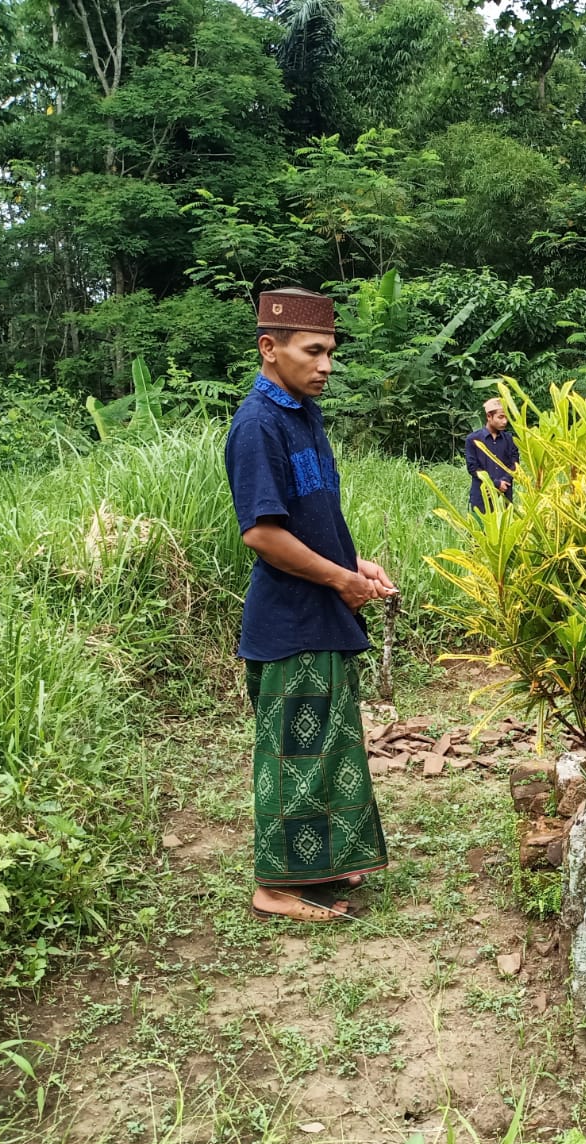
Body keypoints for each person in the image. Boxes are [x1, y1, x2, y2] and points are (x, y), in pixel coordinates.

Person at [224, 288, 397, 923]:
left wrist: (355, 568)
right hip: (291, 620)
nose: (326, 366)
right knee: (291, 756)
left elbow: (310, 518)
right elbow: (262, 534)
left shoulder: (303, 416)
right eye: (313, 351)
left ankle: (318, 867)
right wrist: (339, 582)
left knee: (327, 746)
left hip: (323, 611)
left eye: (330, 354)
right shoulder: (258, 426)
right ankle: (274, 888)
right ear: (270, 349)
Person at [463, 396, 520, 512]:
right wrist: (495, 483)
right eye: (500, 417)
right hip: (481, 496)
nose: (505, 421)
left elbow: (515, 464)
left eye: (506, 417)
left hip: (505, 495)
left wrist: (505, 480)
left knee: (505, 529)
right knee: (481, 529)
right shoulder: (473, 439)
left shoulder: (509, 439)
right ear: (489, 417)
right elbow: (473, 467)